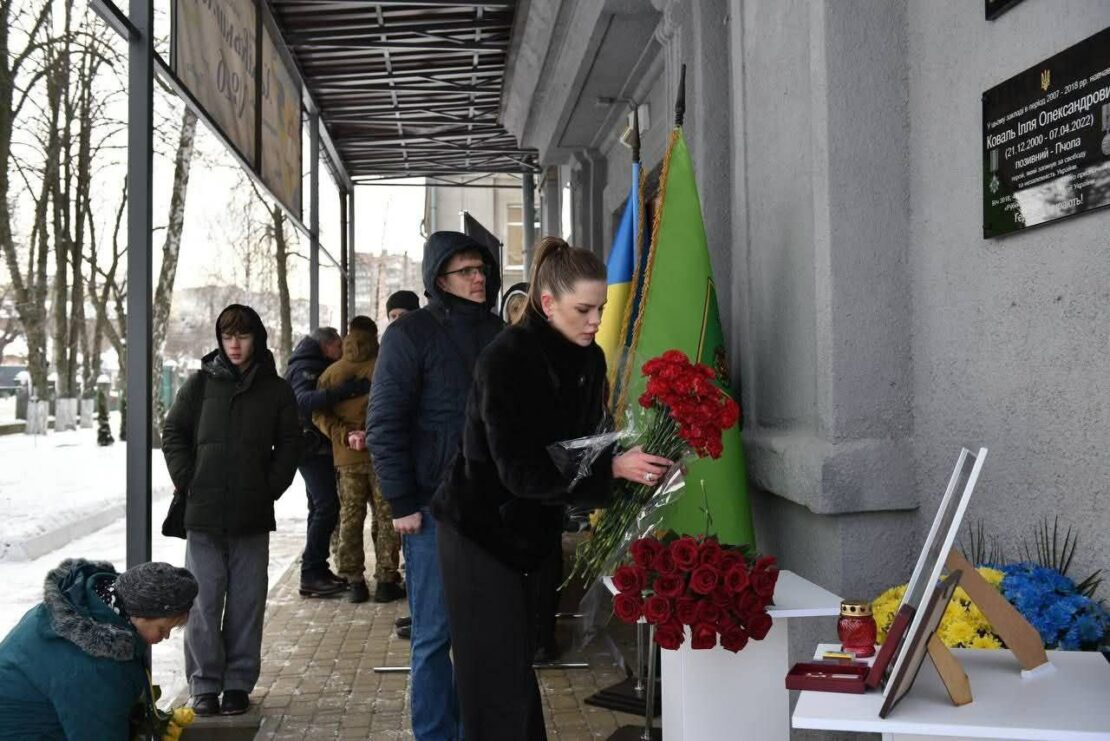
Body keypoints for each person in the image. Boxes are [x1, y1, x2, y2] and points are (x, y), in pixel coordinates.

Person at [433, 237, 672, 740]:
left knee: (515, 674)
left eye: (601, 308)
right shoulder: (507, 359)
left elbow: (582, 445)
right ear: (548, 303)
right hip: (478, 533)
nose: (596, 321)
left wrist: (636, 457)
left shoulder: (588, 359)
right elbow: (520, 472)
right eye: (584, 310)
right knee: (493, 680)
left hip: (528, 534)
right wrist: (613, 469)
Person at [367, 231, 503, 740]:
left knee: (482, 637)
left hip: (491, 507)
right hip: (430, 509)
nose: (478, 278)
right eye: (466, 271)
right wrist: (401, 501)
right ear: (439, 280)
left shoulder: (499, 332)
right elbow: (384, 422)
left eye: (481, 269)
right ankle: (434, 734)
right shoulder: (410, 335)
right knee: (433, 636)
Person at [162, 304, 302, 717]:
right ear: (219, 340)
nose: (235, 344)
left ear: (256, 337)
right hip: (203, 516)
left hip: (251, 517)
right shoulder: (199, 385)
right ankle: (204, 684)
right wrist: (188, 478)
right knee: (203, 603)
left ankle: (238, 683)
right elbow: (173, 431)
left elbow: (290, 443)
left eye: (242, 335)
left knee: (247, 603)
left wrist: (269, 488)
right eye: (228, 336)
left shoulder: (276, 390)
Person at [0, 559, 198, 739]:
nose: (165, 636)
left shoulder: (94, 605)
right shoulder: (93, 663)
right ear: (140, 615)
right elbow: (97, 730)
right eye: (162, 629)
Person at [313, 316, 404, 604]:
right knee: (386, 516)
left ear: (348, 336)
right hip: (382, 456)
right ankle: (387, 580)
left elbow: (318, 413)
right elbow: (398, 407)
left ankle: (354, 582)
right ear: (374, 335)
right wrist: (372, 433)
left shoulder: (332, 373)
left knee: (350, 517)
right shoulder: (385, 367)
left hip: (347, 457)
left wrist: (344, 435)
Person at [286, 327, 365, 598]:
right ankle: (311, 571)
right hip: (310, 449)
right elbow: (302, 401)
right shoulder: (305, 367)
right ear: (327, 345)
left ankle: (316, 570)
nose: (342, 352)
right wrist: (343, 392)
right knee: (327, 506)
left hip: (313, 448)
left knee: (318, 507)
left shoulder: (311, 362)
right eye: (338, 346)